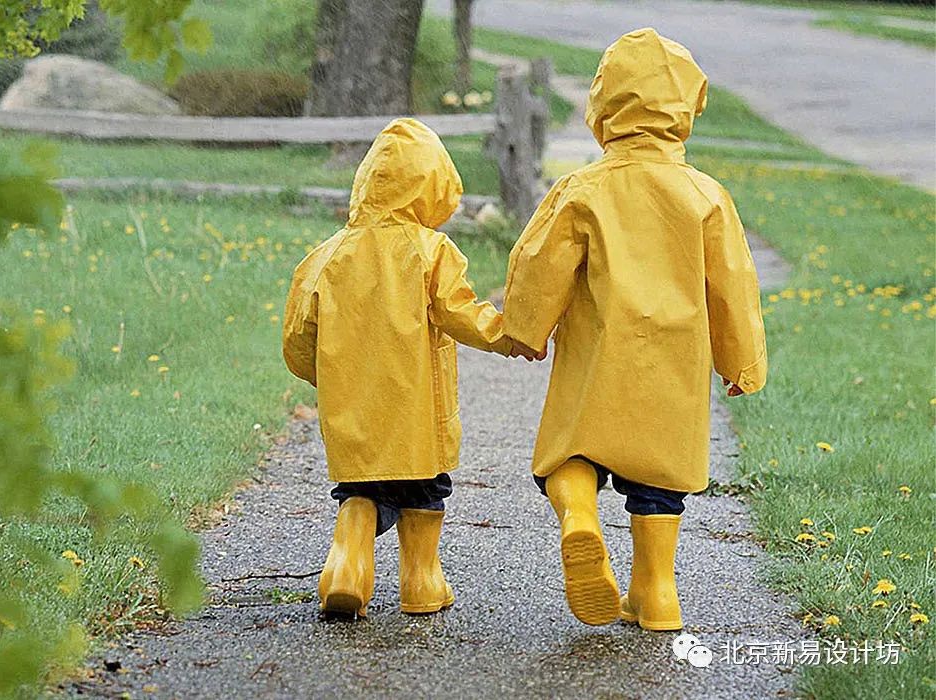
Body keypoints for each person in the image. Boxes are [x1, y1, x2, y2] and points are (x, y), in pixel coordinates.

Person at [502, 28, 768, 631]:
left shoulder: (583, 189)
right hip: (673, 365)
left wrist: (526, 327)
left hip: (599, 356)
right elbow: (731, 285)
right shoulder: (705, 195)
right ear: (686, 109)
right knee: (659, 478)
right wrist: (741, 360)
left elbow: (540, 261)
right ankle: (658, 593)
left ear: (603, 106)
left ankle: (579, 521)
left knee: (568, 454)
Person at [283, 118, 537, 618]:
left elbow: (297, 336)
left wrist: (328, 375)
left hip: (353, 411)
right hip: (419, 410)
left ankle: (346, 566)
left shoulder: (327, 256)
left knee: (360, 490)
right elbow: (459, 311)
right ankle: (420, 583)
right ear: (432, 187)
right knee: (425, 488)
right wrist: (508, 336)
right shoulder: (430, 251)